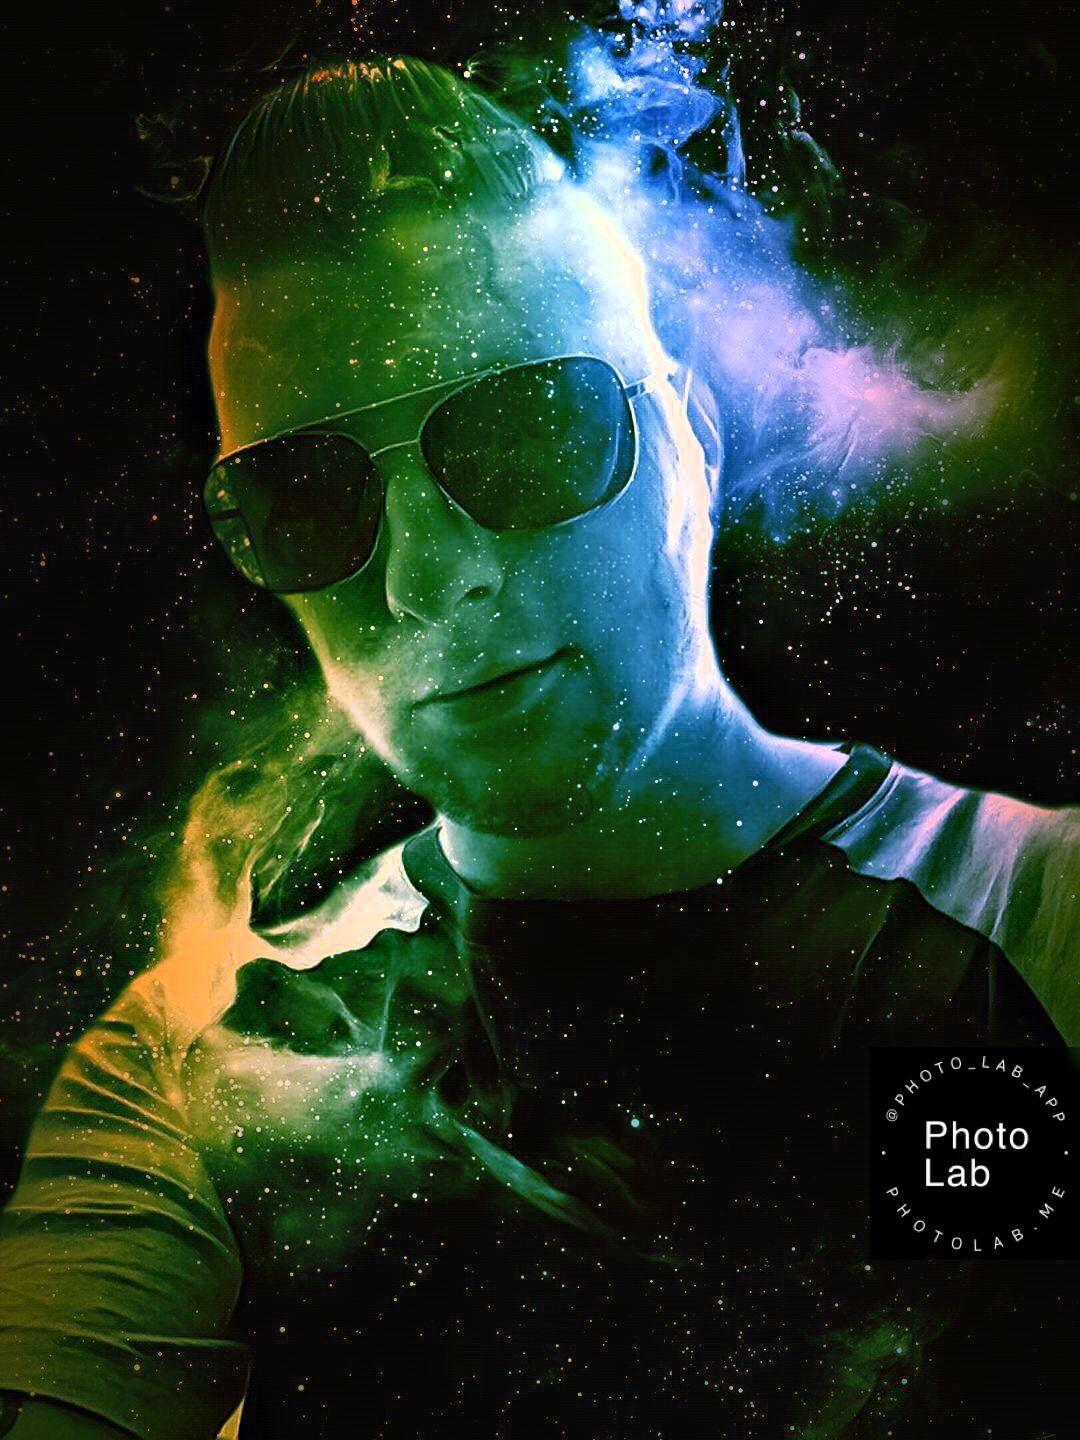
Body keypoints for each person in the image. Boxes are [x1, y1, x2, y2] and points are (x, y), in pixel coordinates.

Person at [0, 56, 1077, 1440]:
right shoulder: (205, 1052)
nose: (423, 579)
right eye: (303, 496)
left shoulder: (1042, 925)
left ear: (688, 440)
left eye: (522, 429)